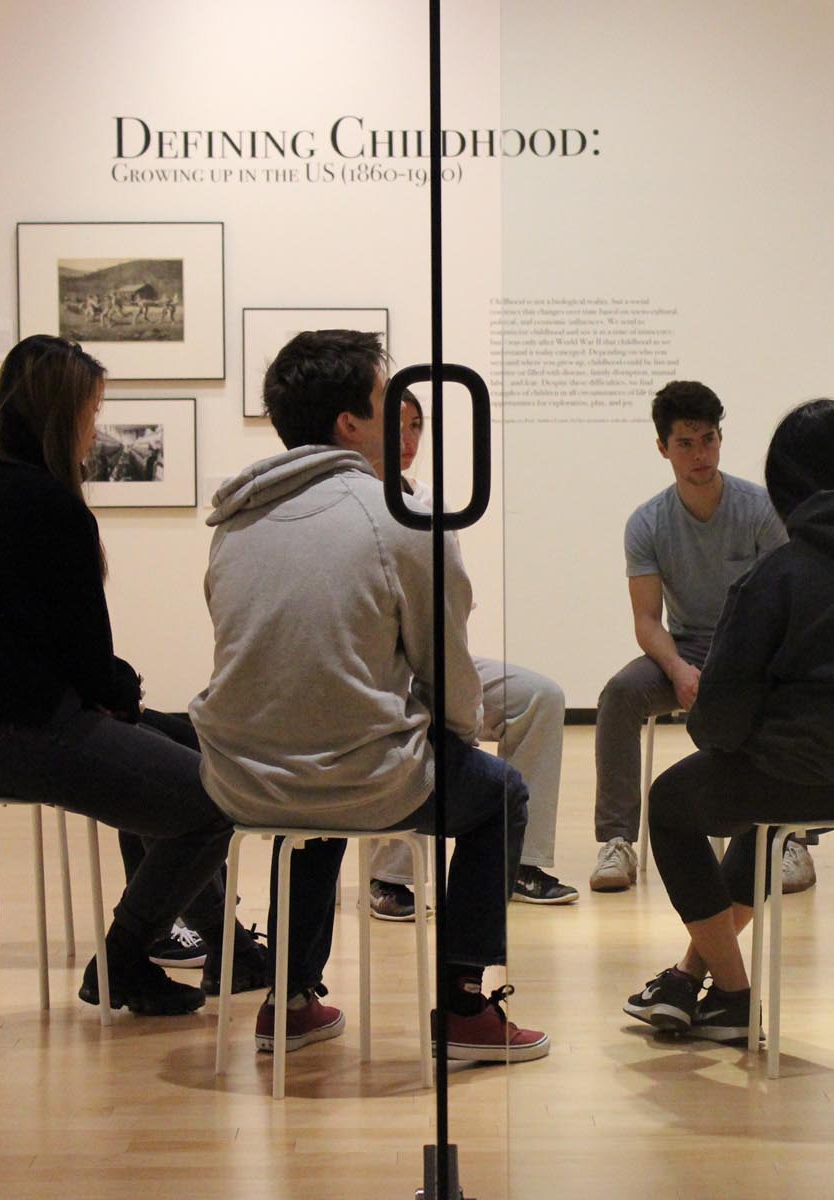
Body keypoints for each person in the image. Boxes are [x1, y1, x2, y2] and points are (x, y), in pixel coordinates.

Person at [189, 328, 549, 1062]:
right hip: (354, 775)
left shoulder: (236, 519)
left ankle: (288, 999)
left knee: (321, 782)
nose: (404, 418)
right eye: (390, 401)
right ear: (349, 423)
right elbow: (445, 664)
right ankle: (465, 1007)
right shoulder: (403, 517)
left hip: (241, 777)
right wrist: (453, 731)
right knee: (499, 793)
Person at [0, 334, 267, 1016]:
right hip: (12, 732)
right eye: (91, 412)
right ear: (59, 416)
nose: (94, 429)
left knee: (189, 746)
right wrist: (120, 693)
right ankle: (125, 959)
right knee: (212, 803)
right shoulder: (47, 506)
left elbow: (47, 644)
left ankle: (233, 953)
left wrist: (117, 695)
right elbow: (87, 656)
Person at [621, 398, 834, 1040]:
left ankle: (737, 999)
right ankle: (692, 978)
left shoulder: (781, 574)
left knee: (672, 801)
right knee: (761, 824)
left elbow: (717, 721)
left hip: (805, 777)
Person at [367, 395, 578, 915]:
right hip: (380, 673)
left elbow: (449, 605)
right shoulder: (358, 504)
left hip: (435, 656)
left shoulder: (433, 502)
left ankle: (521, 861)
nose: (409, 439)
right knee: (413, 709)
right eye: (397, 427)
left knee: (540, 697)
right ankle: (390, 877)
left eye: (417, 426)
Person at [593, 380, 806, 895]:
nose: (700, 454)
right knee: (619, 695)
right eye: (686, 444)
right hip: (687, 649)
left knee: (798, 692)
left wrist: (742, 664)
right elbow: (646, 620)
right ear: (662, 447)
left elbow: (788, 603)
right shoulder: (646, 522)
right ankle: (618, 840)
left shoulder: (760, 509)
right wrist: (679, 670)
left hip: (757, 649)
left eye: (708, 439)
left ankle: (792, 838)